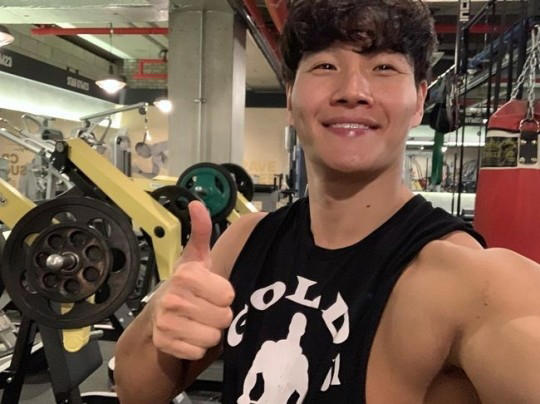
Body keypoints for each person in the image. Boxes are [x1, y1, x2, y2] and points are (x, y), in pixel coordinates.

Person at [114, 0, 540, 403]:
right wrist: (161, 317)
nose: (353, 90)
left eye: (384, 67)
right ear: (290, 97)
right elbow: (136, 393)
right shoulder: (245, 242)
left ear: (419, 102)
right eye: (325, 66)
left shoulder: (471, 282)